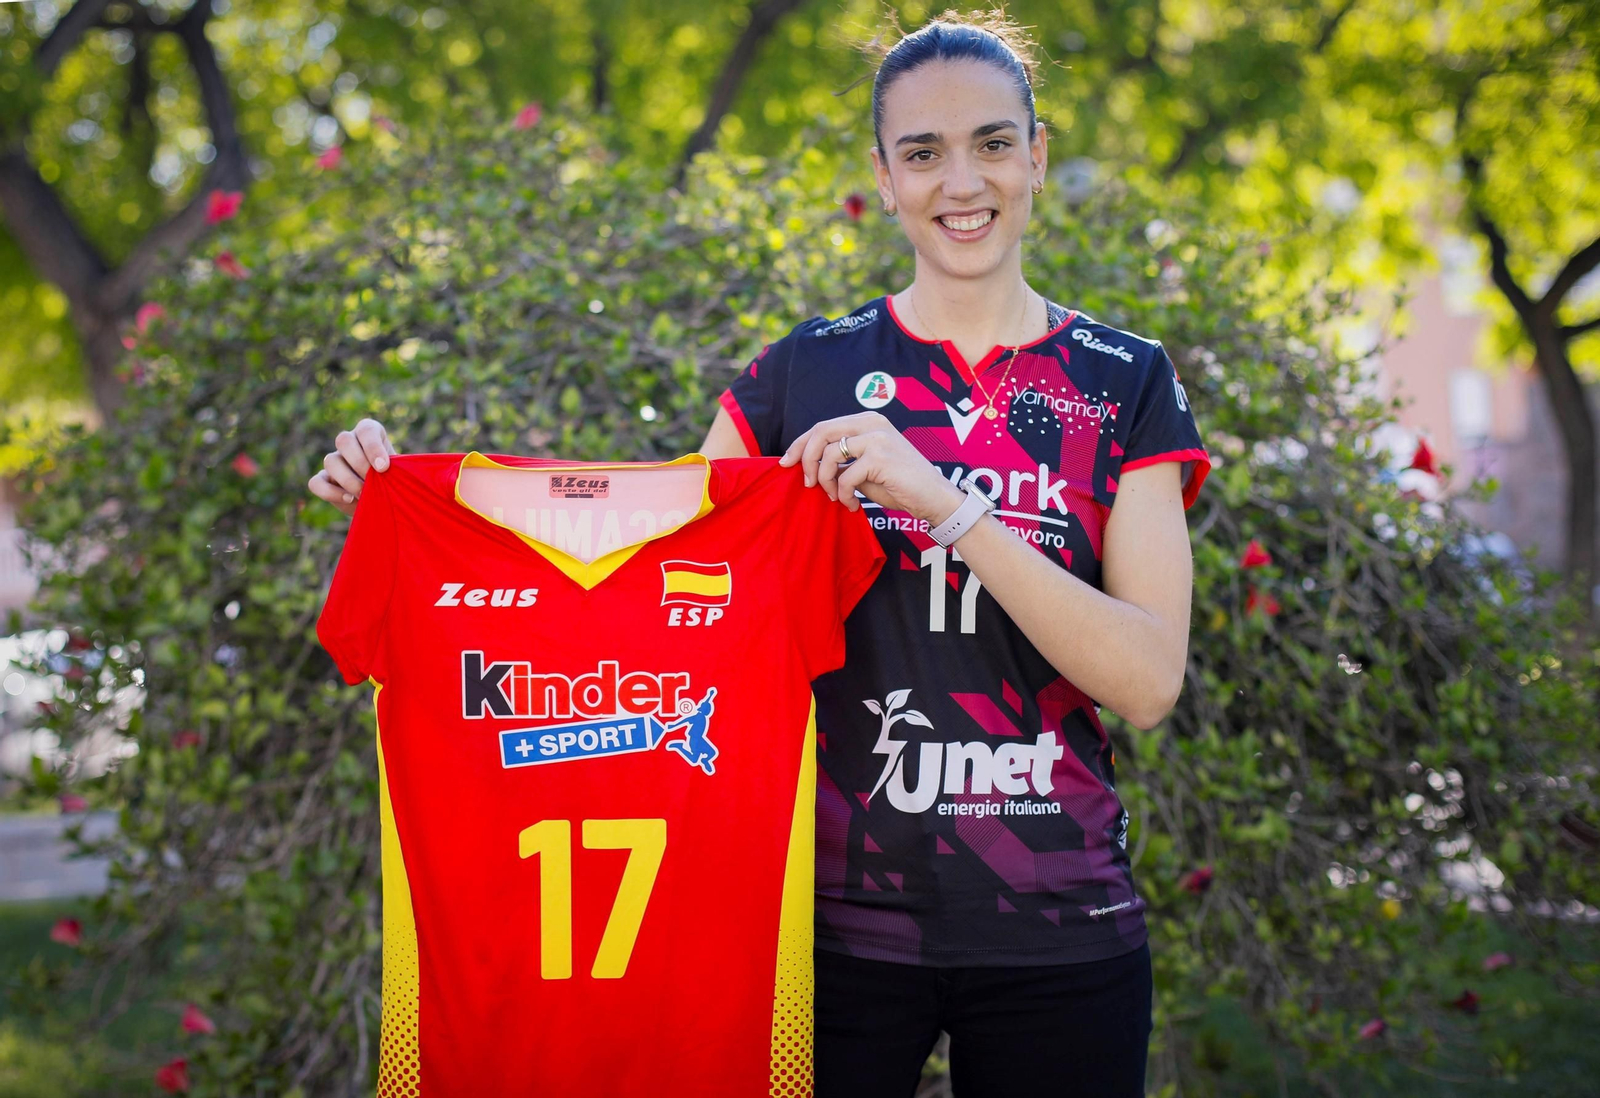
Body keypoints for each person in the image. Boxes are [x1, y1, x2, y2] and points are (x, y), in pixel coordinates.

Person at [310, 12, 1209, 1097]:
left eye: (991, 143)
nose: (959, 181)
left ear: (1036, 157)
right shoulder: (805, 378)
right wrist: (419, 501)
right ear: (883, 178)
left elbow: (1147, 679)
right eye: (921, 153)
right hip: (823, 940)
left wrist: (944, 504)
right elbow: (642, 583)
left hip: (1061, 931)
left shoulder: (1123, 381)